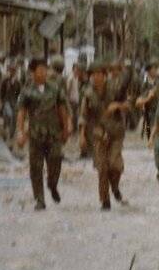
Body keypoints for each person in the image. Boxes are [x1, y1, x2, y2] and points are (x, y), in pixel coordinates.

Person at [15, 58, 71, 210]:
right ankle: (39, 199)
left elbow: (62, 109)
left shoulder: (55, 88)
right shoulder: (26, 91)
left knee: (56, 161)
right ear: (32, 72)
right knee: (36, 168)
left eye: (45, 69)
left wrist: (66, 129)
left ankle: (52, 185)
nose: (44, 73)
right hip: (35, 134)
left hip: (53, 134)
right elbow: (21, 113)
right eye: (40, 70)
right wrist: (20, 132)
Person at [81, 61, 131, 210]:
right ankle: (105, 200)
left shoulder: (116, 88)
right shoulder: (88, 94)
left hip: (115, 133)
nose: (97, 77)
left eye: (99, 74)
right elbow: (83, 116)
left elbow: (128, 104)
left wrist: (118, 106)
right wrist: (82, 136)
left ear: (105, 75)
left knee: (115, 165)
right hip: (98, 133)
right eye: (94, 74)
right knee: (102, 168)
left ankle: (115, 187)